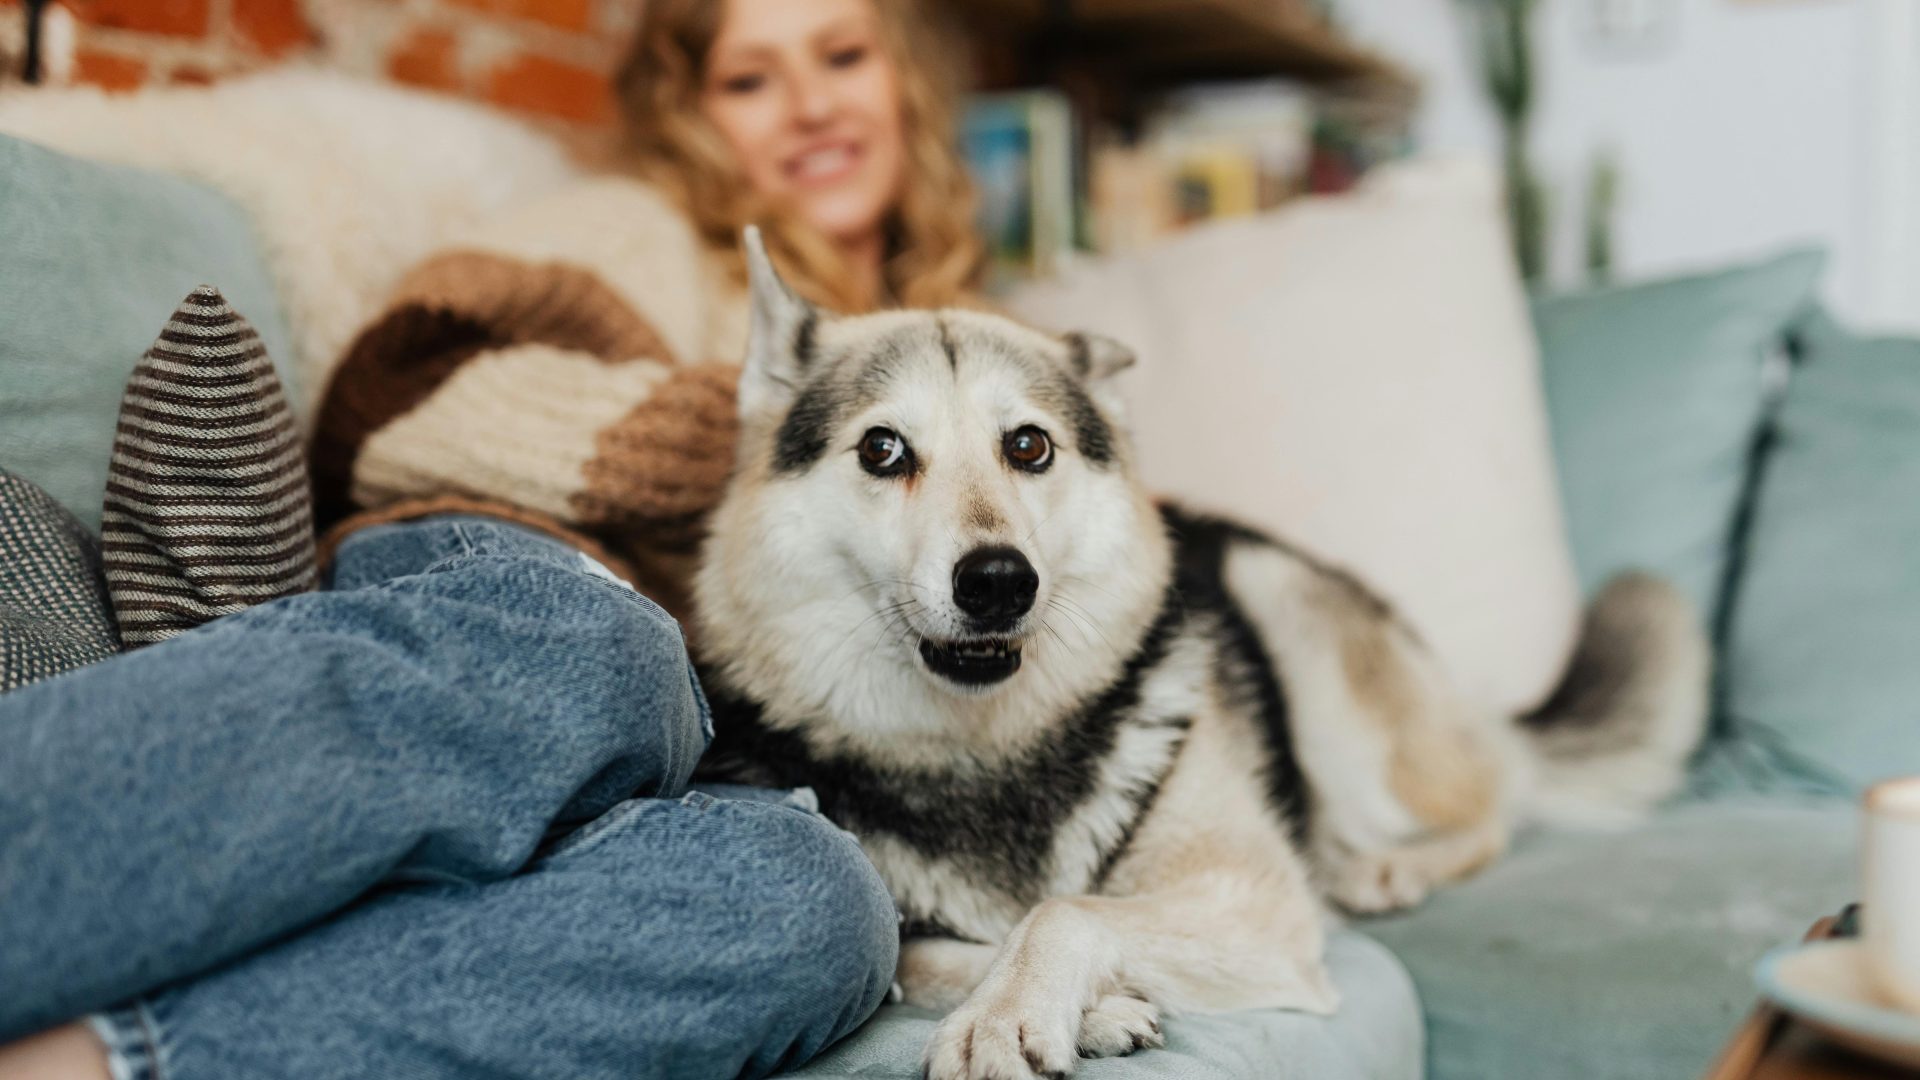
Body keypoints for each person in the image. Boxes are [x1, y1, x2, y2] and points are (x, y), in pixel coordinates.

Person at [0, 0, 986, 1076]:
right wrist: (762, 441)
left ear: (903, 84)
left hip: (695, 756)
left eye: (841, 57)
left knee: (820, 902)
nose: (808, 106)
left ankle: (102, 1060)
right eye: (751, 80)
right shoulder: (639, 228)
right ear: (693, 116)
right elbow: (392, 392)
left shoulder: (977, 343)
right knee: (607, 655)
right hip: (517, 584)